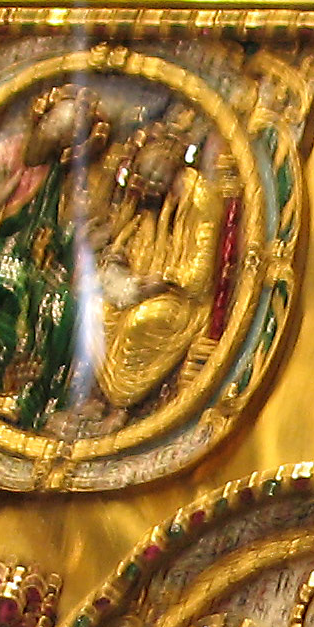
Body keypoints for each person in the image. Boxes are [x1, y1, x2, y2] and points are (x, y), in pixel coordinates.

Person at [0, 85, 112, 431]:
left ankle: (42, 402)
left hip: (24, 263)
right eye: (58, 123)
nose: (57, 135)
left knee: (64, 304)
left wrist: (73, 242)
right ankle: (8, 387)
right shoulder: (4, 154)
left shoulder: (52, 175)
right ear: (43, 115)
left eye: (68, 134)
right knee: (21, 283)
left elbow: (48, 233)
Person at [92, 126, 224, 416]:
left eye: (155, 178)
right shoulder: (148, 202)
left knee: (141, 321)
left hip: (182, 298)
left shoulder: (198, 199)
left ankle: (124, 402)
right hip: (141, 288)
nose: (148, 186)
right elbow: (126, 241)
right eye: (143, 178)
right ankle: (105, 400)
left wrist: (164, 280)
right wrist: (120, 267)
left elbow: (200, 276)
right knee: (97, 312)